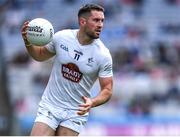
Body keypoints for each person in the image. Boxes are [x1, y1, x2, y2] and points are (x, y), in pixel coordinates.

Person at [21, 3, 113, 136]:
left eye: (102, 21)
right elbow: (39, 55)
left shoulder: (103, 55)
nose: (100, 25)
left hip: (75, 111)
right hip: (51, 105)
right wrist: (27, 41)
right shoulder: (62, 37)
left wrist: (92, 102)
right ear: (82, 21)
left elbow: (108, 89)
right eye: (96, 20)